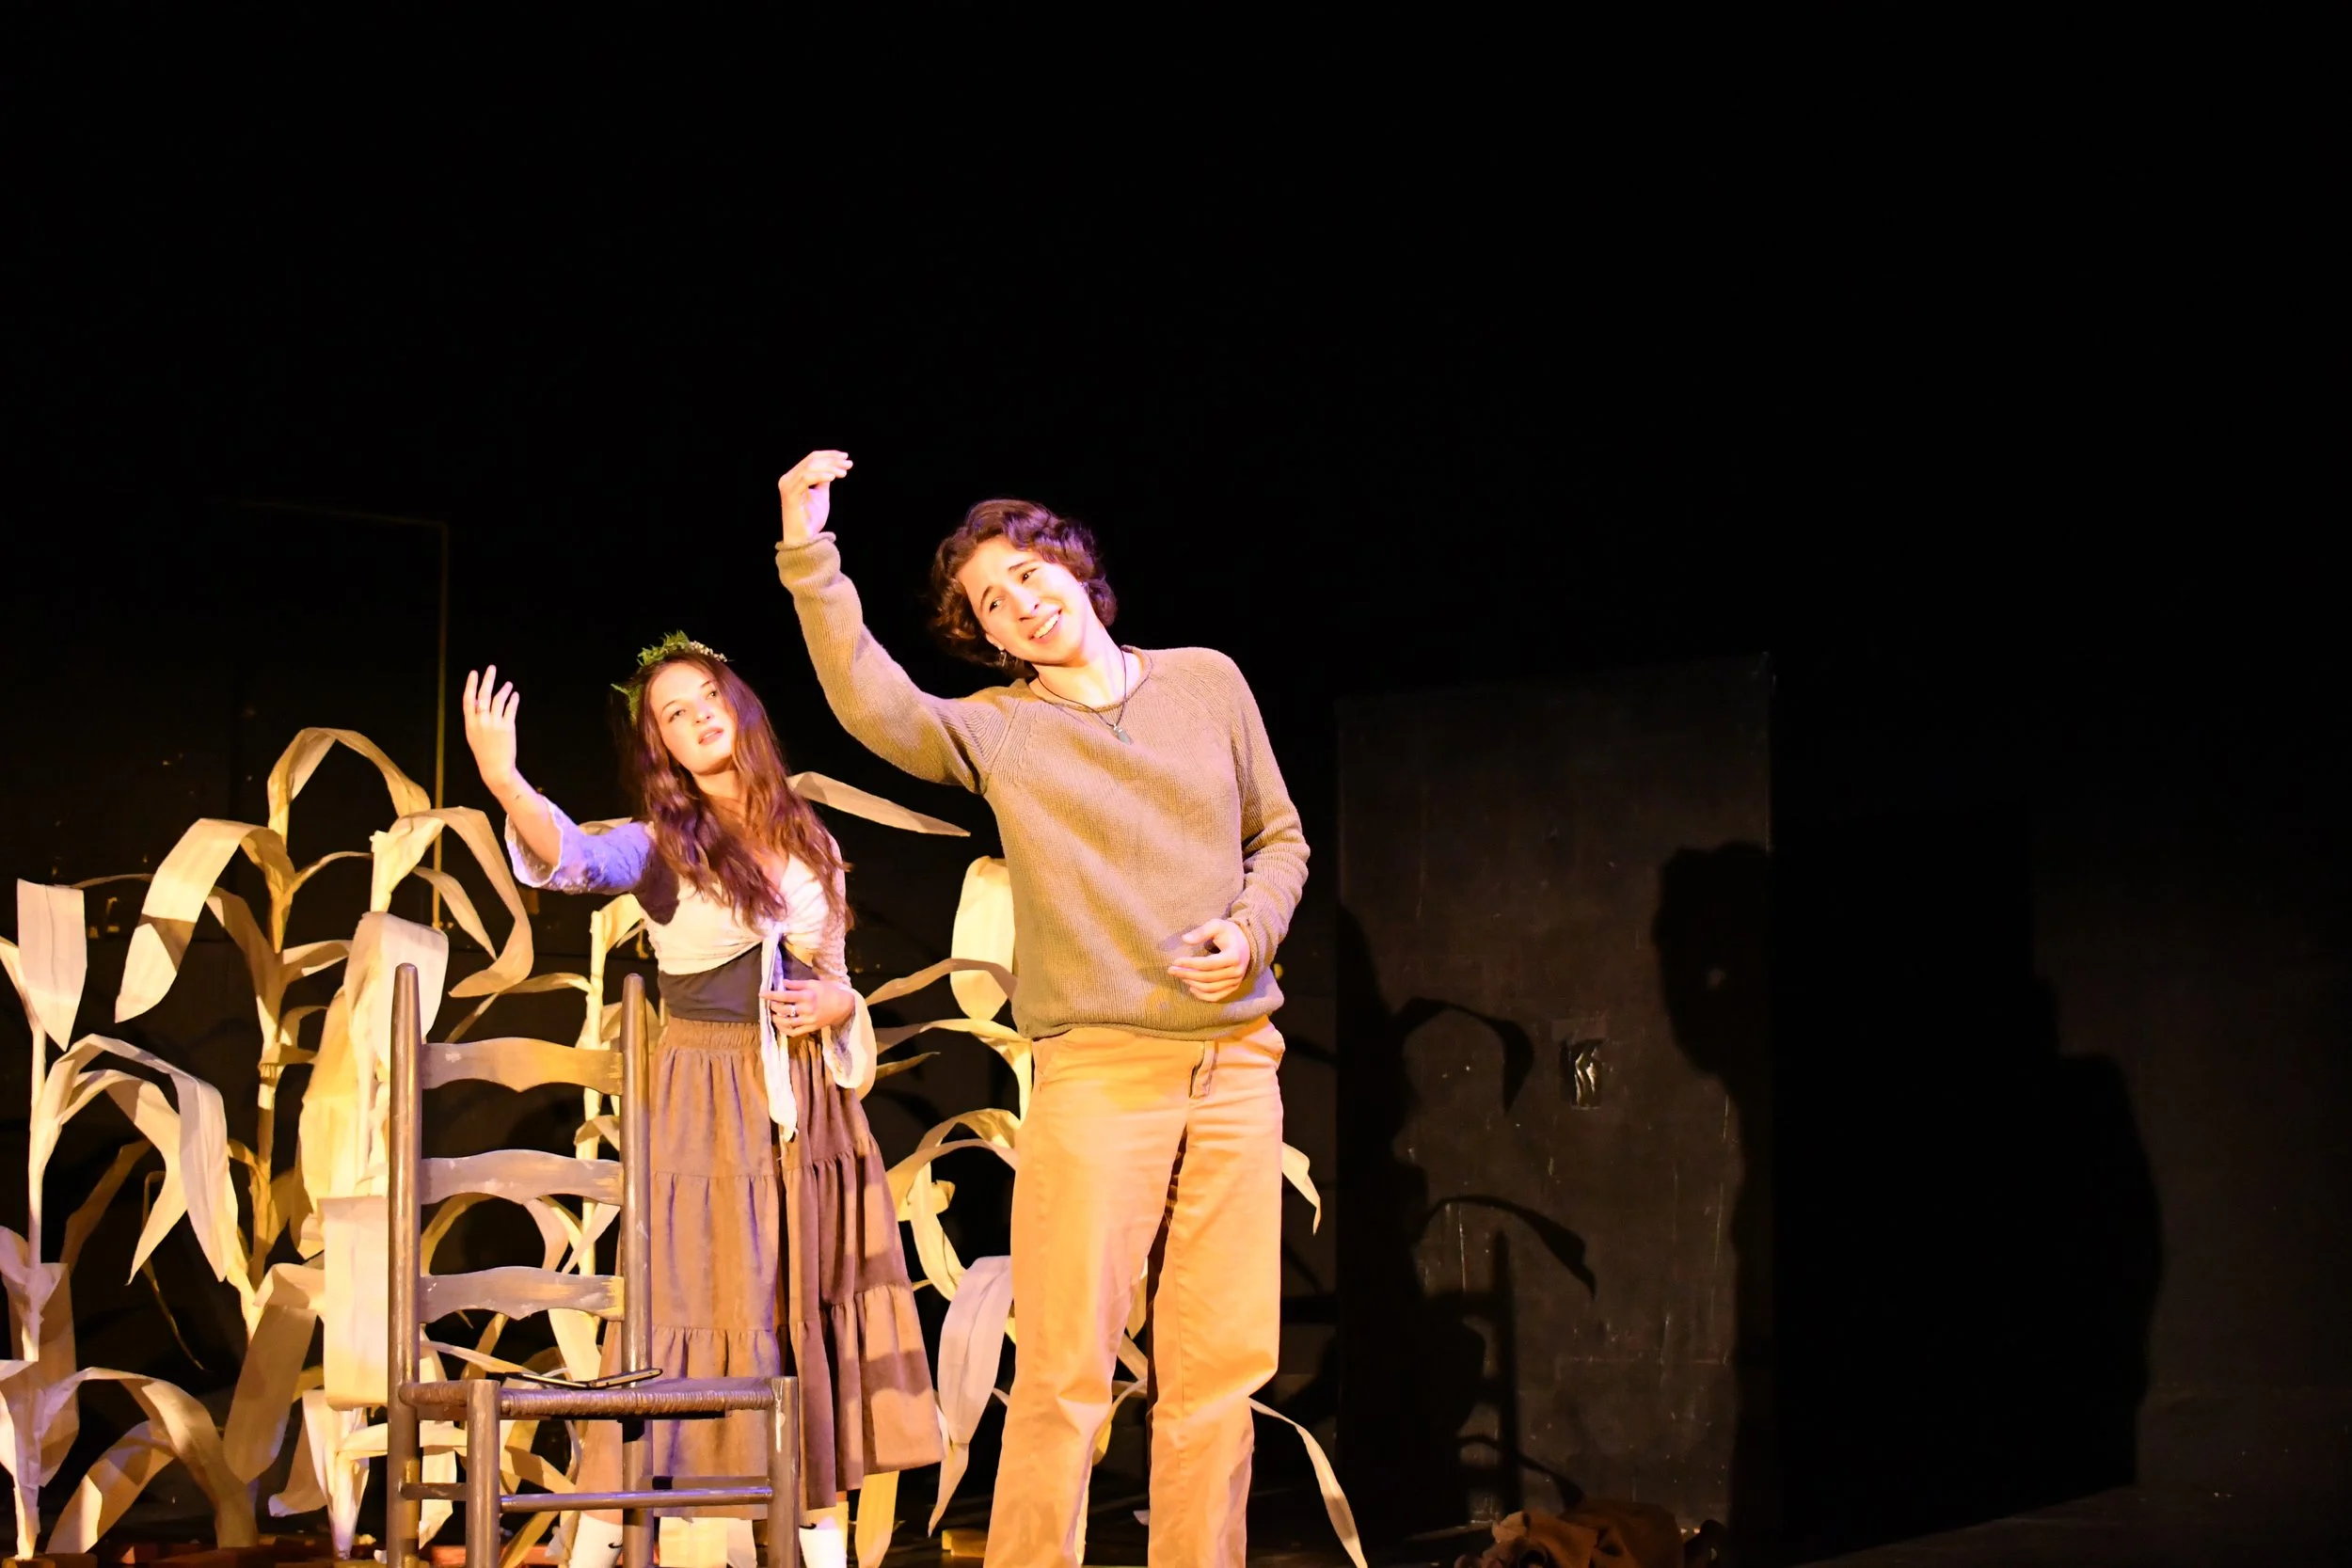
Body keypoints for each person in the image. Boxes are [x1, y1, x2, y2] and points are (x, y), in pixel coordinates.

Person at [772, 451, 1311, 1568]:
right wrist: (808, 553)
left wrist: (1248, 931)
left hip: (1235, 1066)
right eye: (989, 603)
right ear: (986, 636)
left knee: (1219, 1368)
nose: (1019, 602)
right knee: (1067, 1365)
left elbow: (1280, 837)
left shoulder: (1207, 681)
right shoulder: (998, 729)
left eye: (1027, 573)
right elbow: (869, 699)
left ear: (1074, 564)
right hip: (1100, 1071)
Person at [459, 634, 940, 1568]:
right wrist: (508, 781)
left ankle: (813, 1526)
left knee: (800, 1294)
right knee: (689, 1298)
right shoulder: (660, 839)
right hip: (709, 1090)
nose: (697, 715)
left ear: (740, 702)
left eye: (707, 694)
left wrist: (836, 1002)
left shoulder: (808, 832)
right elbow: (577, 862)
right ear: (661, 747)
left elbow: (838, 978)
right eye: (672, 713)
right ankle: (604, 1532)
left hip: (804, 1100)